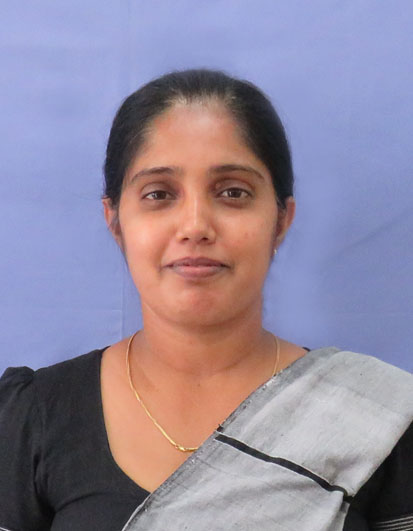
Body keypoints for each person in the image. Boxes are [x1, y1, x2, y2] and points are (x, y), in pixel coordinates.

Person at [0, 69, 412, 531]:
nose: (195, 226)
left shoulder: (374, 417)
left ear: (281, 220)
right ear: (115, 221)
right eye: (159, 194)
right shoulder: (36, 417)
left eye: (233, 192)